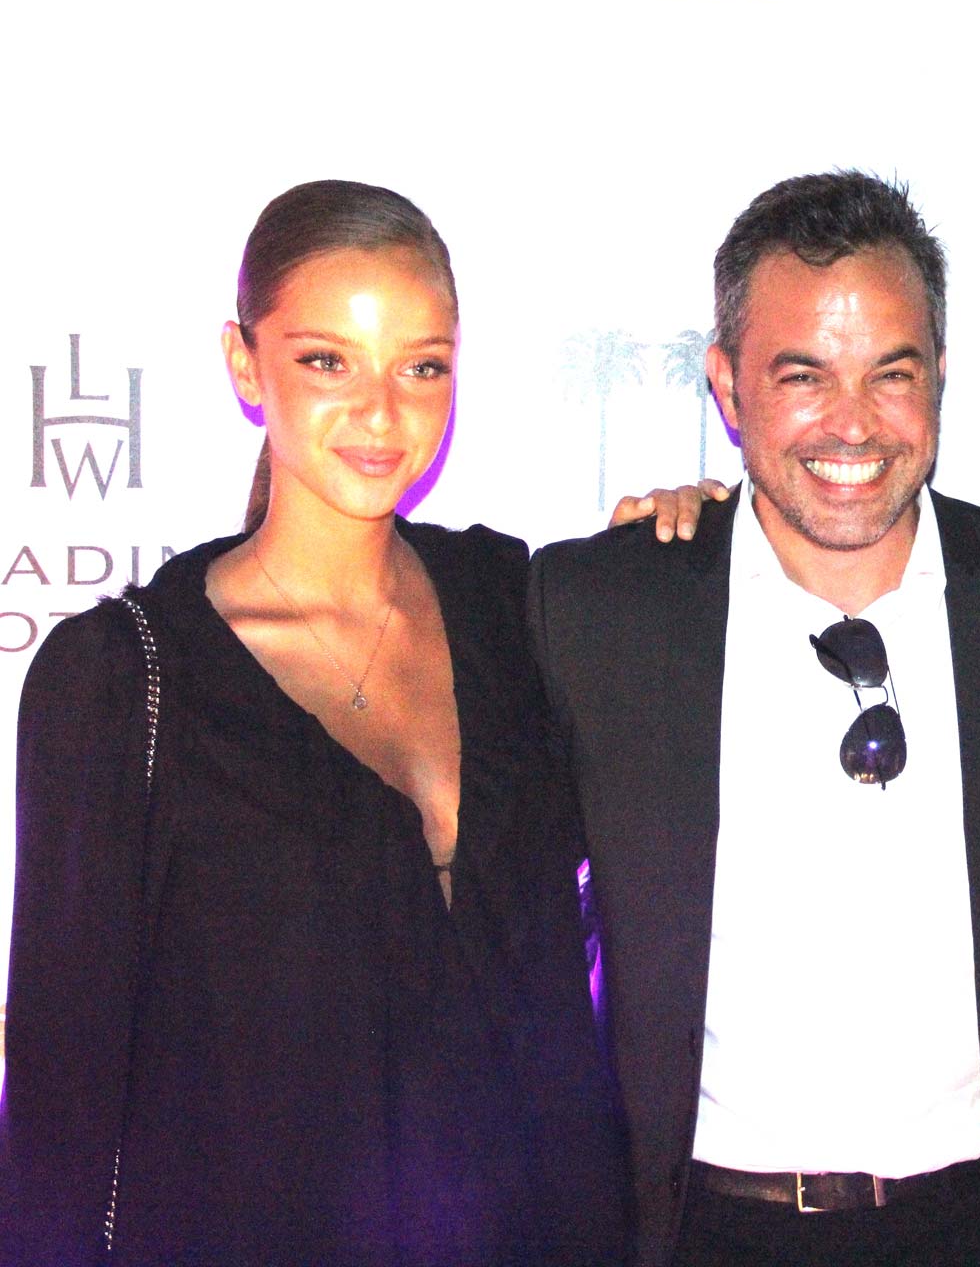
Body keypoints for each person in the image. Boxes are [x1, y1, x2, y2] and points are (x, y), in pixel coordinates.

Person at [0, 180, 629, 1266]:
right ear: (245, 365)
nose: (382, 413)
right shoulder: (122, 679)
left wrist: (683, 547)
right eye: (328, 360)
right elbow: (59, 1096)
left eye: (421, 366)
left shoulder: (516, 607)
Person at [526, 171, 980, 1267]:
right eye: (803, 376)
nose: (852, 423)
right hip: (699, 1232)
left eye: (891, 374)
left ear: (941, 374)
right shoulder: (603, 612)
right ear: (727, 385)